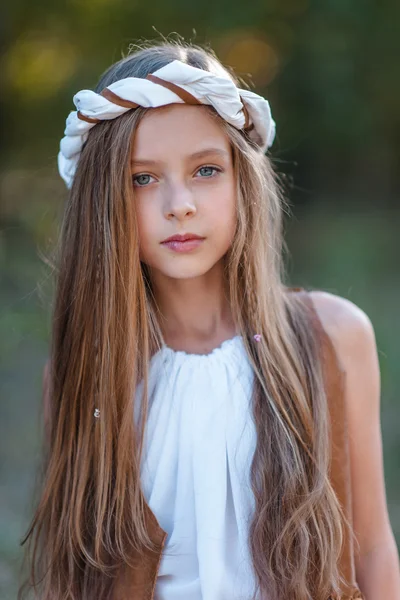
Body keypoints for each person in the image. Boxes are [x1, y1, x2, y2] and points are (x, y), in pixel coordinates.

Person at [18, 39, 399, 600]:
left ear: (242, 179)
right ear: (103, 200)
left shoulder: (333, 337)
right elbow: (73, 580)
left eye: (205, 170)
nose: (180, 203)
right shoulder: (84, 375)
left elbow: (371, 545)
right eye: (141, 178)